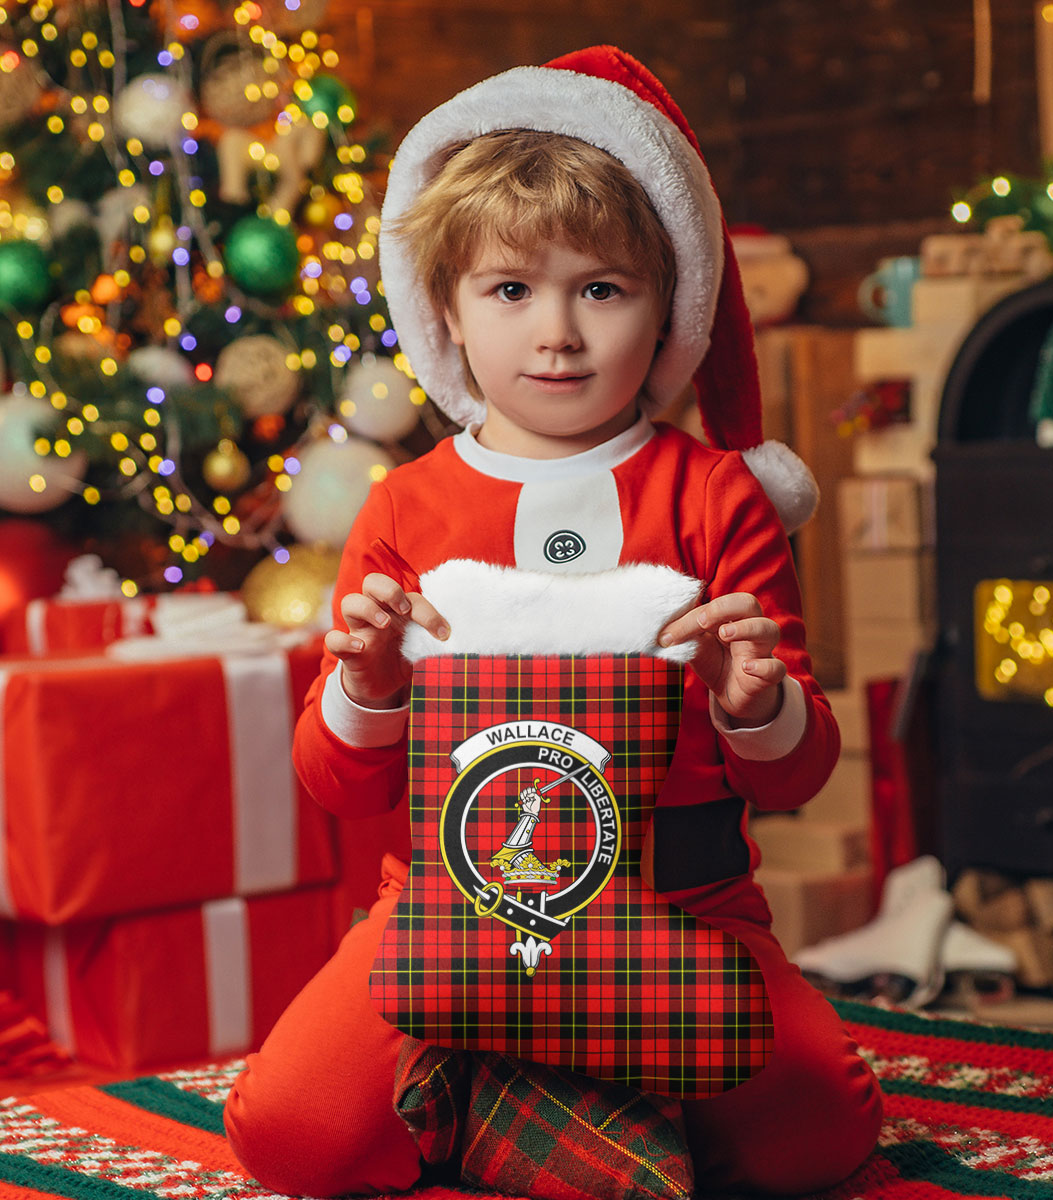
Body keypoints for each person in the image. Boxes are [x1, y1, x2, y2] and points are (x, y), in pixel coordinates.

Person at [224, 45, 882, 1197]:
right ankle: (547, 1091)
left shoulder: (716, 496)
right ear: (446, 310)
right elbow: (339, 785)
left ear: (665, 303)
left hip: (685, 907)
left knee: (818, 1135)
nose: (558, 334)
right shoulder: (407, 503)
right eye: (512, 289)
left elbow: (796, 780)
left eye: (602, 288)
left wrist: (760, 705)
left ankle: (528, 1091)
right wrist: (368, 686)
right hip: (450, 907)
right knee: (292, 1135)